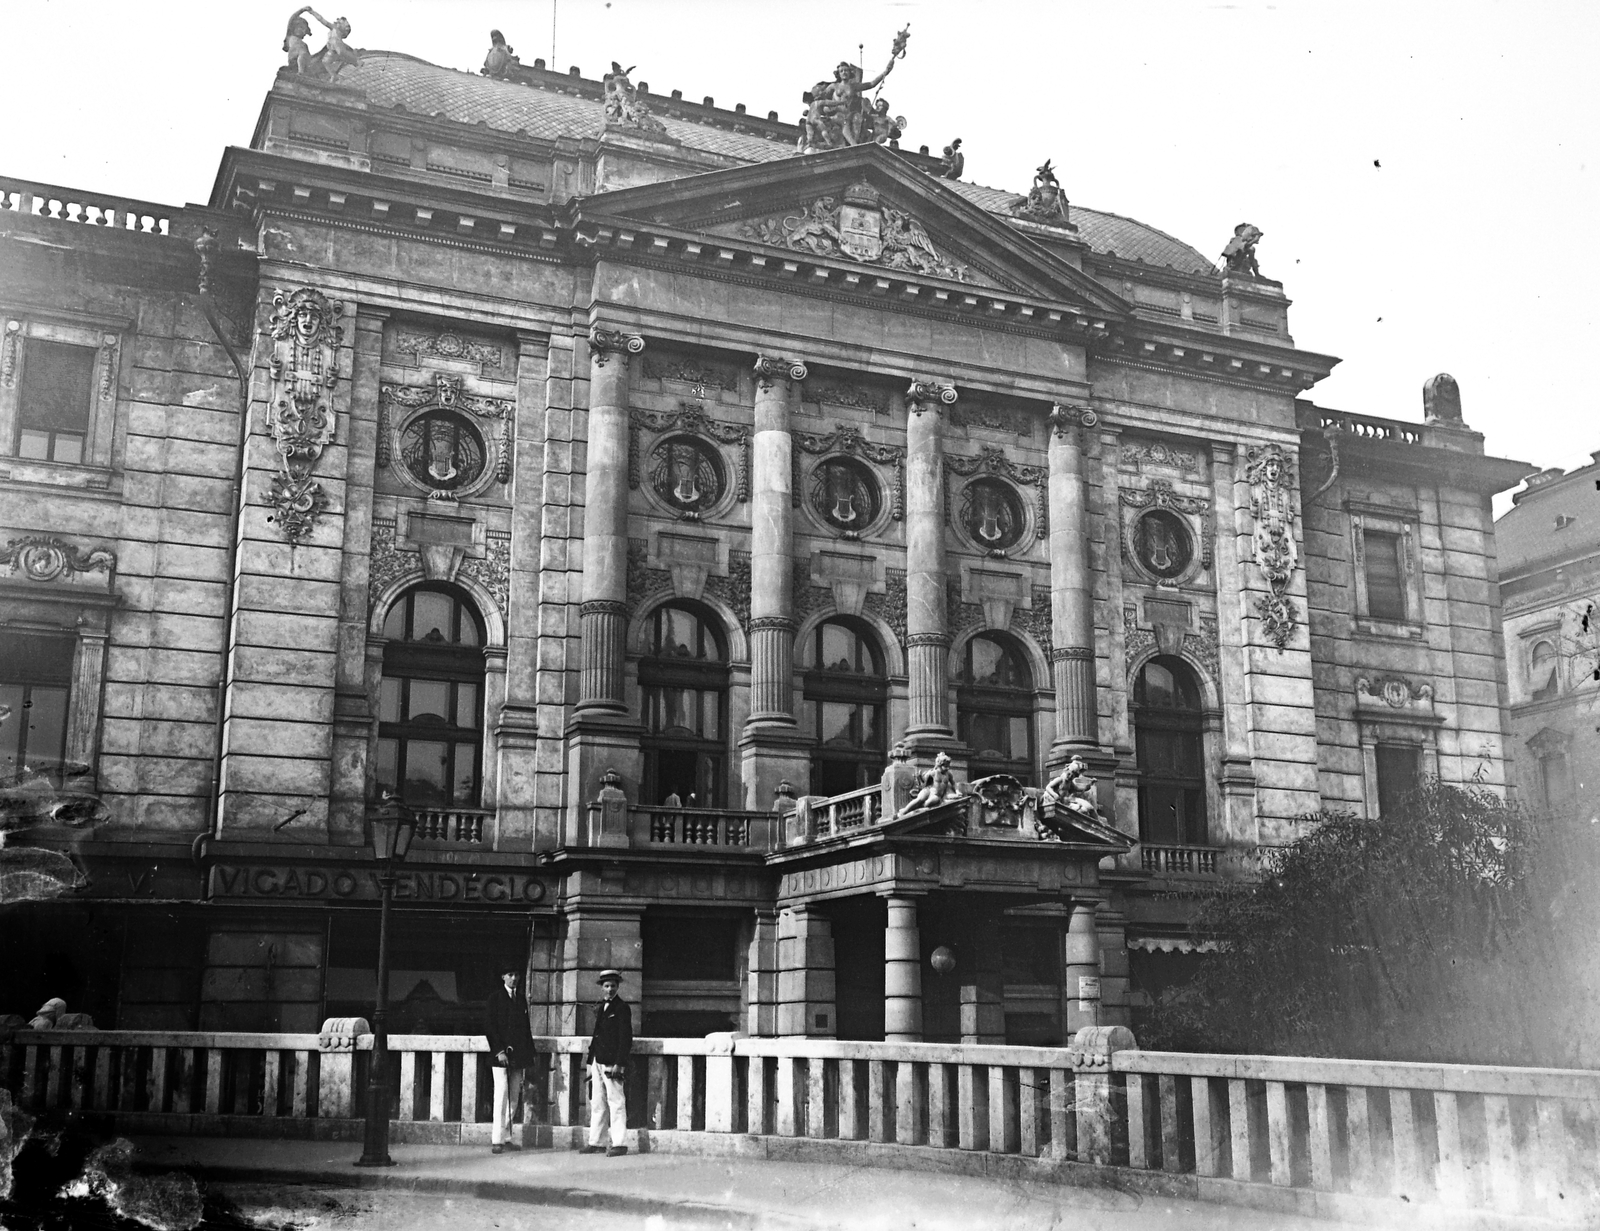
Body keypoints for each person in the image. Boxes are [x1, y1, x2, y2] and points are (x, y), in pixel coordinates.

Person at [579, 969, 632, 1157]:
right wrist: (589, 1062)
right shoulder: (602, 1007)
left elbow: (625, 1039)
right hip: (597, 1061)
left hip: (611, 1063)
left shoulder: (622, 1008)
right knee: (597, 1102)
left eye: (613, 986)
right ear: (602, 988)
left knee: (616, 1101)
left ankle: (619, 1143)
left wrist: (620, 1063)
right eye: (607, 986)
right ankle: (596, 1142)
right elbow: (596, 1036)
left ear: (618, 987)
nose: (610, 989)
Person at [483, 961, 535, 1154]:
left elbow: (525, 1030)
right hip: (501, 1057)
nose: (514, 979)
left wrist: (530, 1055)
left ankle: (506, 1138)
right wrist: (499, 1051)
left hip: (518, 1056)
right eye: (510, 975)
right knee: (501, 1095)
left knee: (514, 1098)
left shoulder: (520, 1000)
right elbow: (489, 1026)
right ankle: (497, 1139)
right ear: (503, 977)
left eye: (517, 975)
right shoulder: (495, 999)